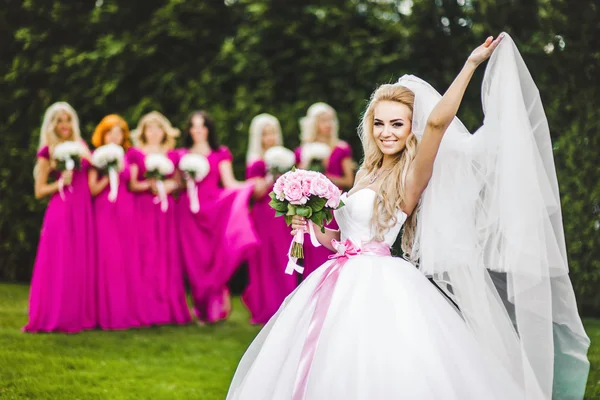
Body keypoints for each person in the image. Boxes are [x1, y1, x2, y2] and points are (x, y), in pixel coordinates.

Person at [226, 34, 590, 400]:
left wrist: (471, 65)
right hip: (337, 277)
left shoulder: (412, 174)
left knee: (380, 363)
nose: (387, 132)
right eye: (380, 123)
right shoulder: (364, 173)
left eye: (397, 124)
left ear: (409, 128)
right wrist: (312, 222)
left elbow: (436, 124)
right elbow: (337, 239)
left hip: (380, 281)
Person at [176, 110, 261, 323]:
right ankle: (200, 307)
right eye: (193, 126)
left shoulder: (220, 153)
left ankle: (216, 303)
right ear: (189, 130)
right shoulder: (181, 154)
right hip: (188, 212)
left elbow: (230, 182)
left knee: (211, 256)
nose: (197, 130)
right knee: (193, 259)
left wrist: (250, 186)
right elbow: (177, 184)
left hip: (213, 209)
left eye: (202, 126)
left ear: (208, 129)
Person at [24, 102, 96, 333]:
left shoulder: (82, 146)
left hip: (83, 210)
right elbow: (39, 191)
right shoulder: (47, 152)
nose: (64, 125)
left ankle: (78, 315)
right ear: (52, 125)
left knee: (79, 262)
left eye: (67, 120)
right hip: (62, 210)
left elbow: (94, 171)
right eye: (59, 121)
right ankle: (54, 315)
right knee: (60, 260)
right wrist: (59, 183)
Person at [127, 111, 191, 326]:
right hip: (144, 209)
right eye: (149, 128)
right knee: (145, 253)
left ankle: (166, 307)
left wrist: (171, 185)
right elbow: (133, 183)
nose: (153, 132)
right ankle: (144, 306)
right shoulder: (136, 153)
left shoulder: (172, 155)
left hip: (166, 211)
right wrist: (150, 185)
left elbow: (178, 182)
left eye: (157, 127)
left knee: (166, 253)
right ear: (143, 131)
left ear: (164, 131)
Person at [89, 114, 146, 330]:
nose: (114, 136)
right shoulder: (96, 158)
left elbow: (132, 184)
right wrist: (108, 172)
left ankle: (126, 312)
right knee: (107, 258)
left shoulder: (130, 156)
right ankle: (105, 314)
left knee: (126, 259)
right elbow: (93, 189)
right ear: (102, 135)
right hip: (104, 210)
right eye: (110, 132)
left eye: (119, 132)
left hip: (126, 210)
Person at [243, 113, 298, 324]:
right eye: (265, 133)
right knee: (265, 260)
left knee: (286, 257)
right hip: (264, 214)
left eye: (273, 132)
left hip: (284, 214)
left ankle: (288, 304)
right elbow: (255, 193)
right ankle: (265, 306)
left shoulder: (288, 157)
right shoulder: (256, 163)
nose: (270, 137)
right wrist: (270, 174)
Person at [294, 103, 354, 276]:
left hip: (335, 207)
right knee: (314, 249)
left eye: (330, 120)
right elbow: (298, 182)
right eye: (323, 120)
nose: (328, 124)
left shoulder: (342, 148)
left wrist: (324, 176)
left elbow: (348, 180)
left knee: (335, 249)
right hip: (313, 208)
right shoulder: (302, 151)